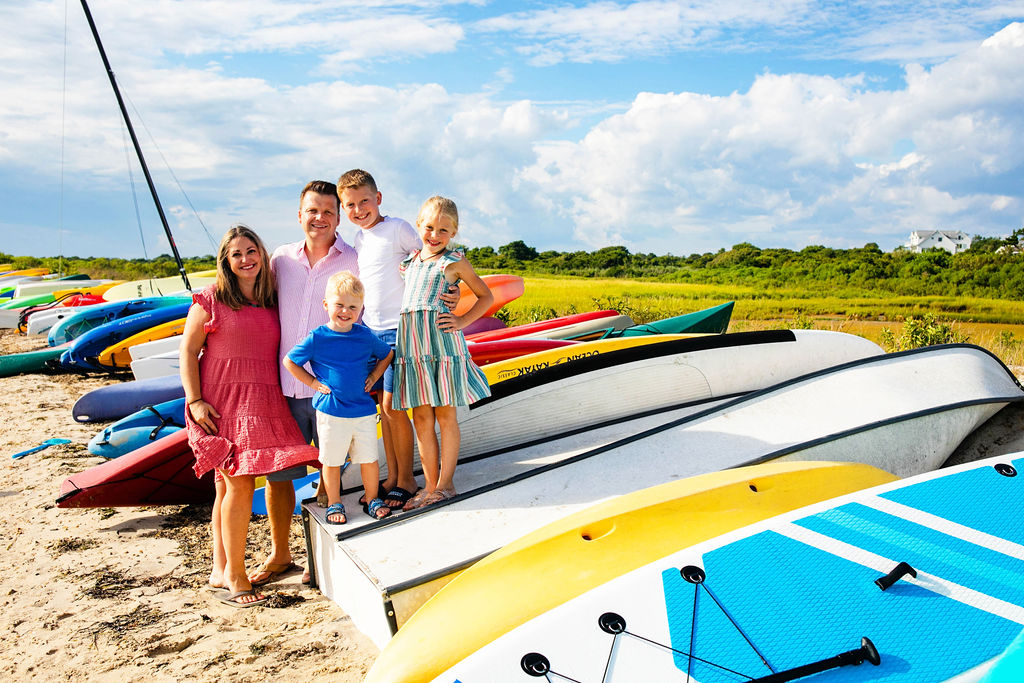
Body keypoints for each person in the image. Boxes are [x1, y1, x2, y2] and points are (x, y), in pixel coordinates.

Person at [180, 224, 319, 607]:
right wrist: (194, 400)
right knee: (238, 484)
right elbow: (188, 352)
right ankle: (237, 578)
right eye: (237, 253)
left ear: (263, 254)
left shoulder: (271, 299)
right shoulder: (210, 299)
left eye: (252, 251)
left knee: (226, 488)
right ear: (226, 260)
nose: (246, 259)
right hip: (221, 402)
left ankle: (219, 569)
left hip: (265, 398)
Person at [249, 180, 360, 588]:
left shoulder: (354, 258)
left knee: (337, 473)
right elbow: (250, 298)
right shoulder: (279, 260)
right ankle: (281, 555)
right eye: (312, 210)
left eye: (329, 211)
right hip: (284, 386)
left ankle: (330, 556)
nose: (320, 218)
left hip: (335, 390)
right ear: (300, 215)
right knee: (279, 476)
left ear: (339, 216)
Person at [392, 196, 493, 509]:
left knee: (445, 414)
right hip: (413, 348)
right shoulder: (409, 265)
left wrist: (462, 319)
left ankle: (446, 484)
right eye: (429, 227)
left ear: (454, 233)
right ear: (419, 225)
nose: (434, 235)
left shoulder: (453, 261)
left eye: (443, 230)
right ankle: (429, 484)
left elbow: (485, 296)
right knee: (421, 416)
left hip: (441, 345)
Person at [337, 169, 422, 510]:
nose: (359, 210)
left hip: (398, 330)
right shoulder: (359, 239)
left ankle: (408, 479)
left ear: (378, 199)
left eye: (364, 201)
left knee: (394, 407)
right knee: (383, 412)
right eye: (350, 205)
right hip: (370, 332)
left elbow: (424, 260)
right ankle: (392, 477)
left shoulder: (398, 228)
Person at [283, 271, 395, 523]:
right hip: (331, 412)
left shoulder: (364, 335)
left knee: (369, 458)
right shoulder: (317, 337)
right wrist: (312, 382)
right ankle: (334, 503)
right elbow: (289, 361)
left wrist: (376, 373)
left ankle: (372, 497)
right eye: (339, 305)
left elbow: (386, 354)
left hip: (363, 410)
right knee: (331, 462)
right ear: (326, 305)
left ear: (361, 309)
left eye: (352, 307)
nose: (346, 311)